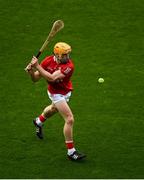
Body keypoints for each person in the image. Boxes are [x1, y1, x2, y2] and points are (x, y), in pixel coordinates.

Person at [26, 42, 86, 161]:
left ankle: (38, 121)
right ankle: (71, 151)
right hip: (55, 93)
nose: (67, 57)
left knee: (53, 109)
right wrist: (31, 72)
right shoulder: (48, 61)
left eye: (68, 54)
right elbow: (36, 79)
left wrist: (37, 66)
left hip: (65, 91)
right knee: (69, 119)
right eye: (64, 55)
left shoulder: (69, 66)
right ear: (57, 55)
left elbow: (52, 78)